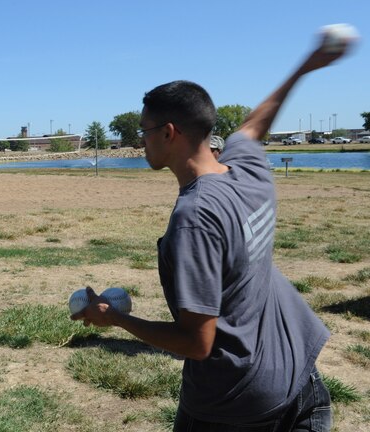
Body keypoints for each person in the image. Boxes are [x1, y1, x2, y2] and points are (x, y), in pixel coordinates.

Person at [71, 37, 352, 430]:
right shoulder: (246, 170)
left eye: (145, 130)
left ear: (169, 133)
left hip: (237, 405)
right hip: (300, 379)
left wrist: (114, 319)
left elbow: (197, 344)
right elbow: (257, 122)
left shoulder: (194, 217)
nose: (141, 140)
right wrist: (306, 66)